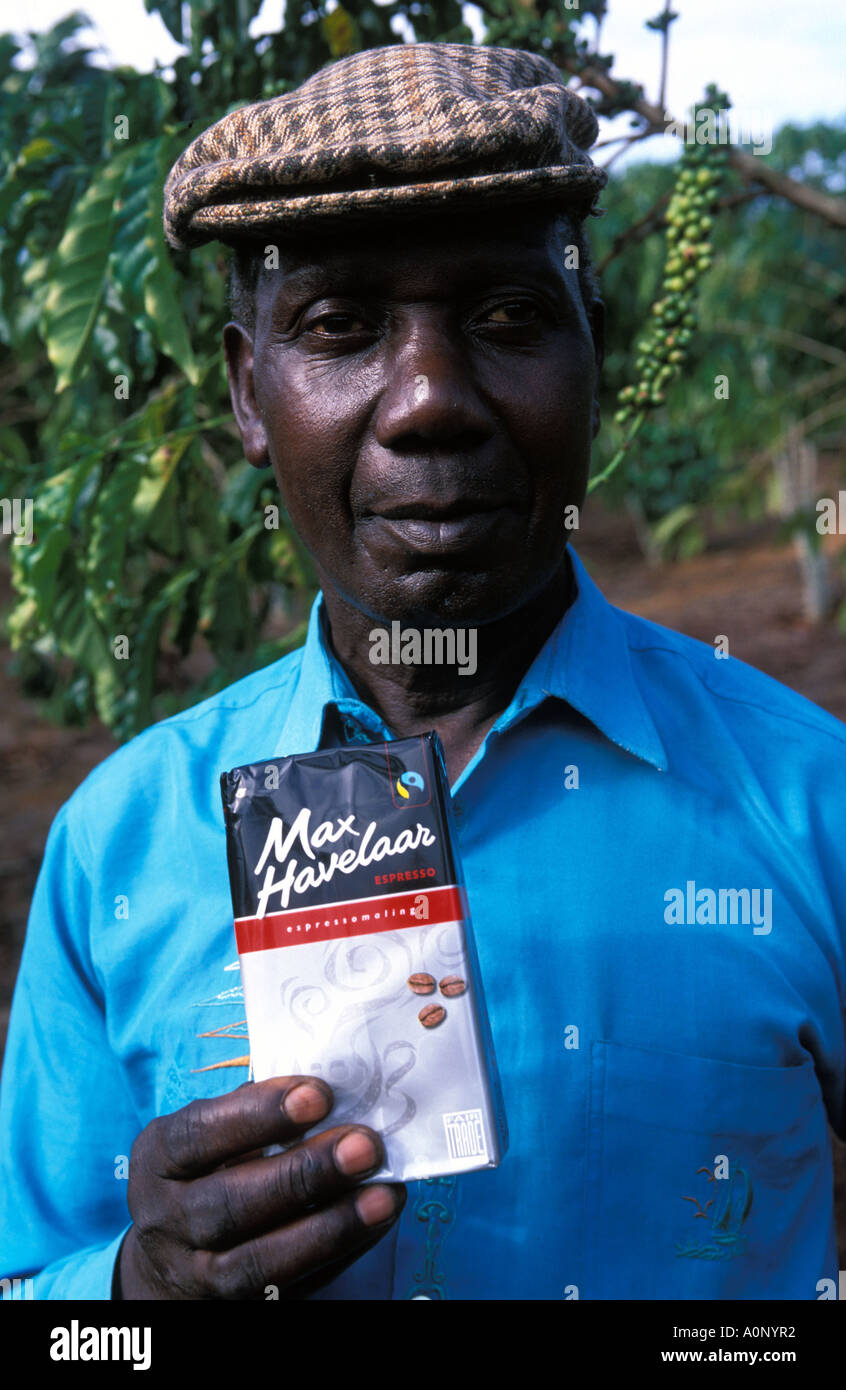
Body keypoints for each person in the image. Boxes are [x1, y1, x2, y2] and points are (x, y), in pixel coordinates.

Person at [0, 42, 844, 1302]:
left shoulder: (813, 798)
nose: (430, 400)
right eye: (340, 326)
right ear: (246, 392)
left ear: (595, 360)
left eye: (507, 317)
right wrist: (133, 1292)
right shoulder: (117, 844)